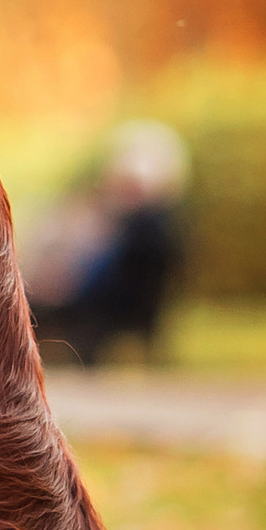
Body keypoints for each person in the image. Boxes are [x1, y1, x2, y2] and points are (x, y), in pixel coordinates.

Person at [23, 119, 189, 369]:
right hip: (106, 298)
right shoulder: (149, 226)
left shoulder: (139, 229)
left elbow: (97, 276)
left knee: (33, 289)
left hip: (94, 300)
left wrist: (63, 281)